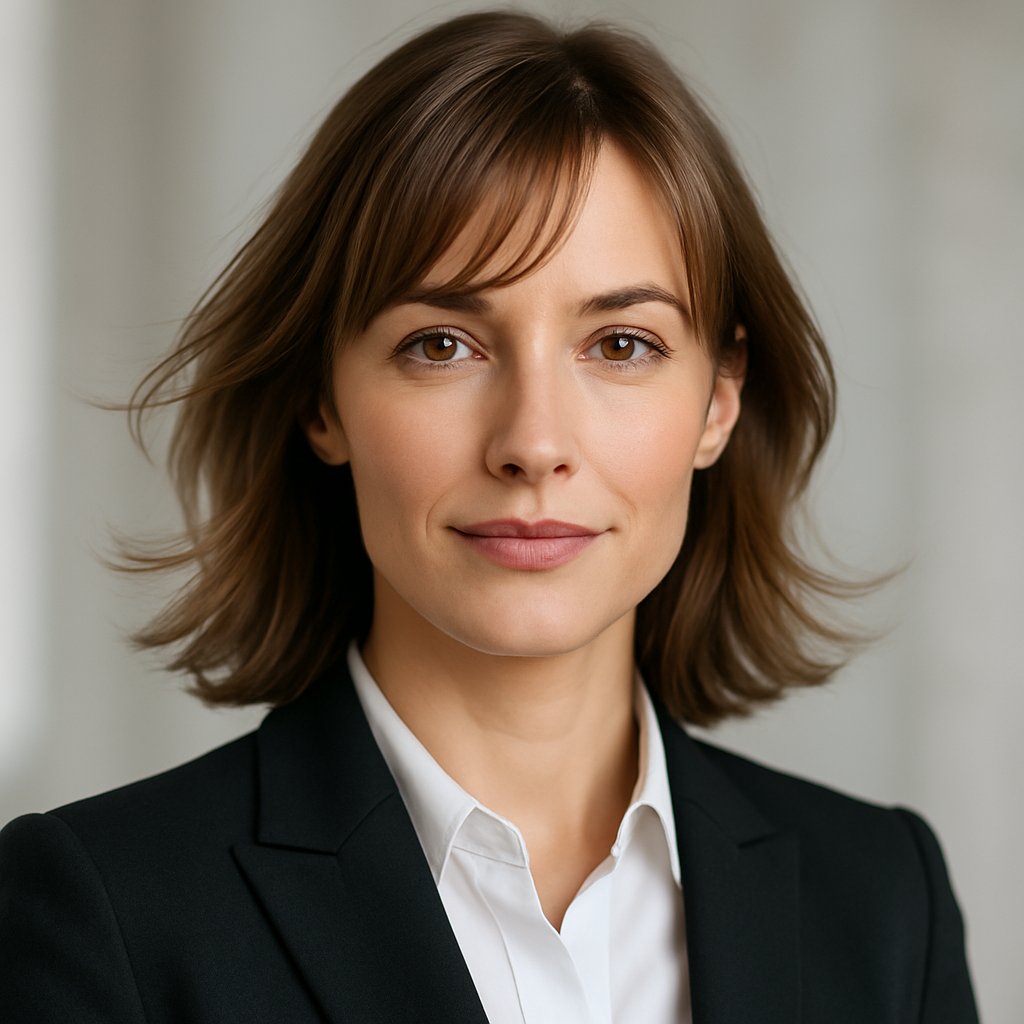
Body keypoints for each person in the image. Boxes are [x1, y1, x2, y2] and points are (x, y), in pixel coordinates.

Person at [0, 10, 978, 1022]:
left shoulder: (883, 898)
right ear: (321, 400)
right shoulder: (108, 910)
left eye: (621, 345)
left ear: (719, 399)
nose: (533, 440)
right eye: (441, 345)